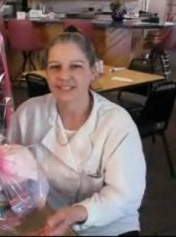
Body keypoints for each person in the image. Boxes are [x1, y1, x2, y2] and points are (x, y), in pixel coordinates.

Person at [8, 32, 146, 236]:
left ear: (93, 72)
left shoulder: (117, 122)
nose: (64, 76)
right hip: (48, 220)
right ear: (46, 72)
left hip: (109, 225)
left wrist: (75, 213)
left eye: (76, 66)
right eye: (55, 67)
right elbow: (11, 171)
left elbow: (124, 196)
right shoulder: (28, 113)